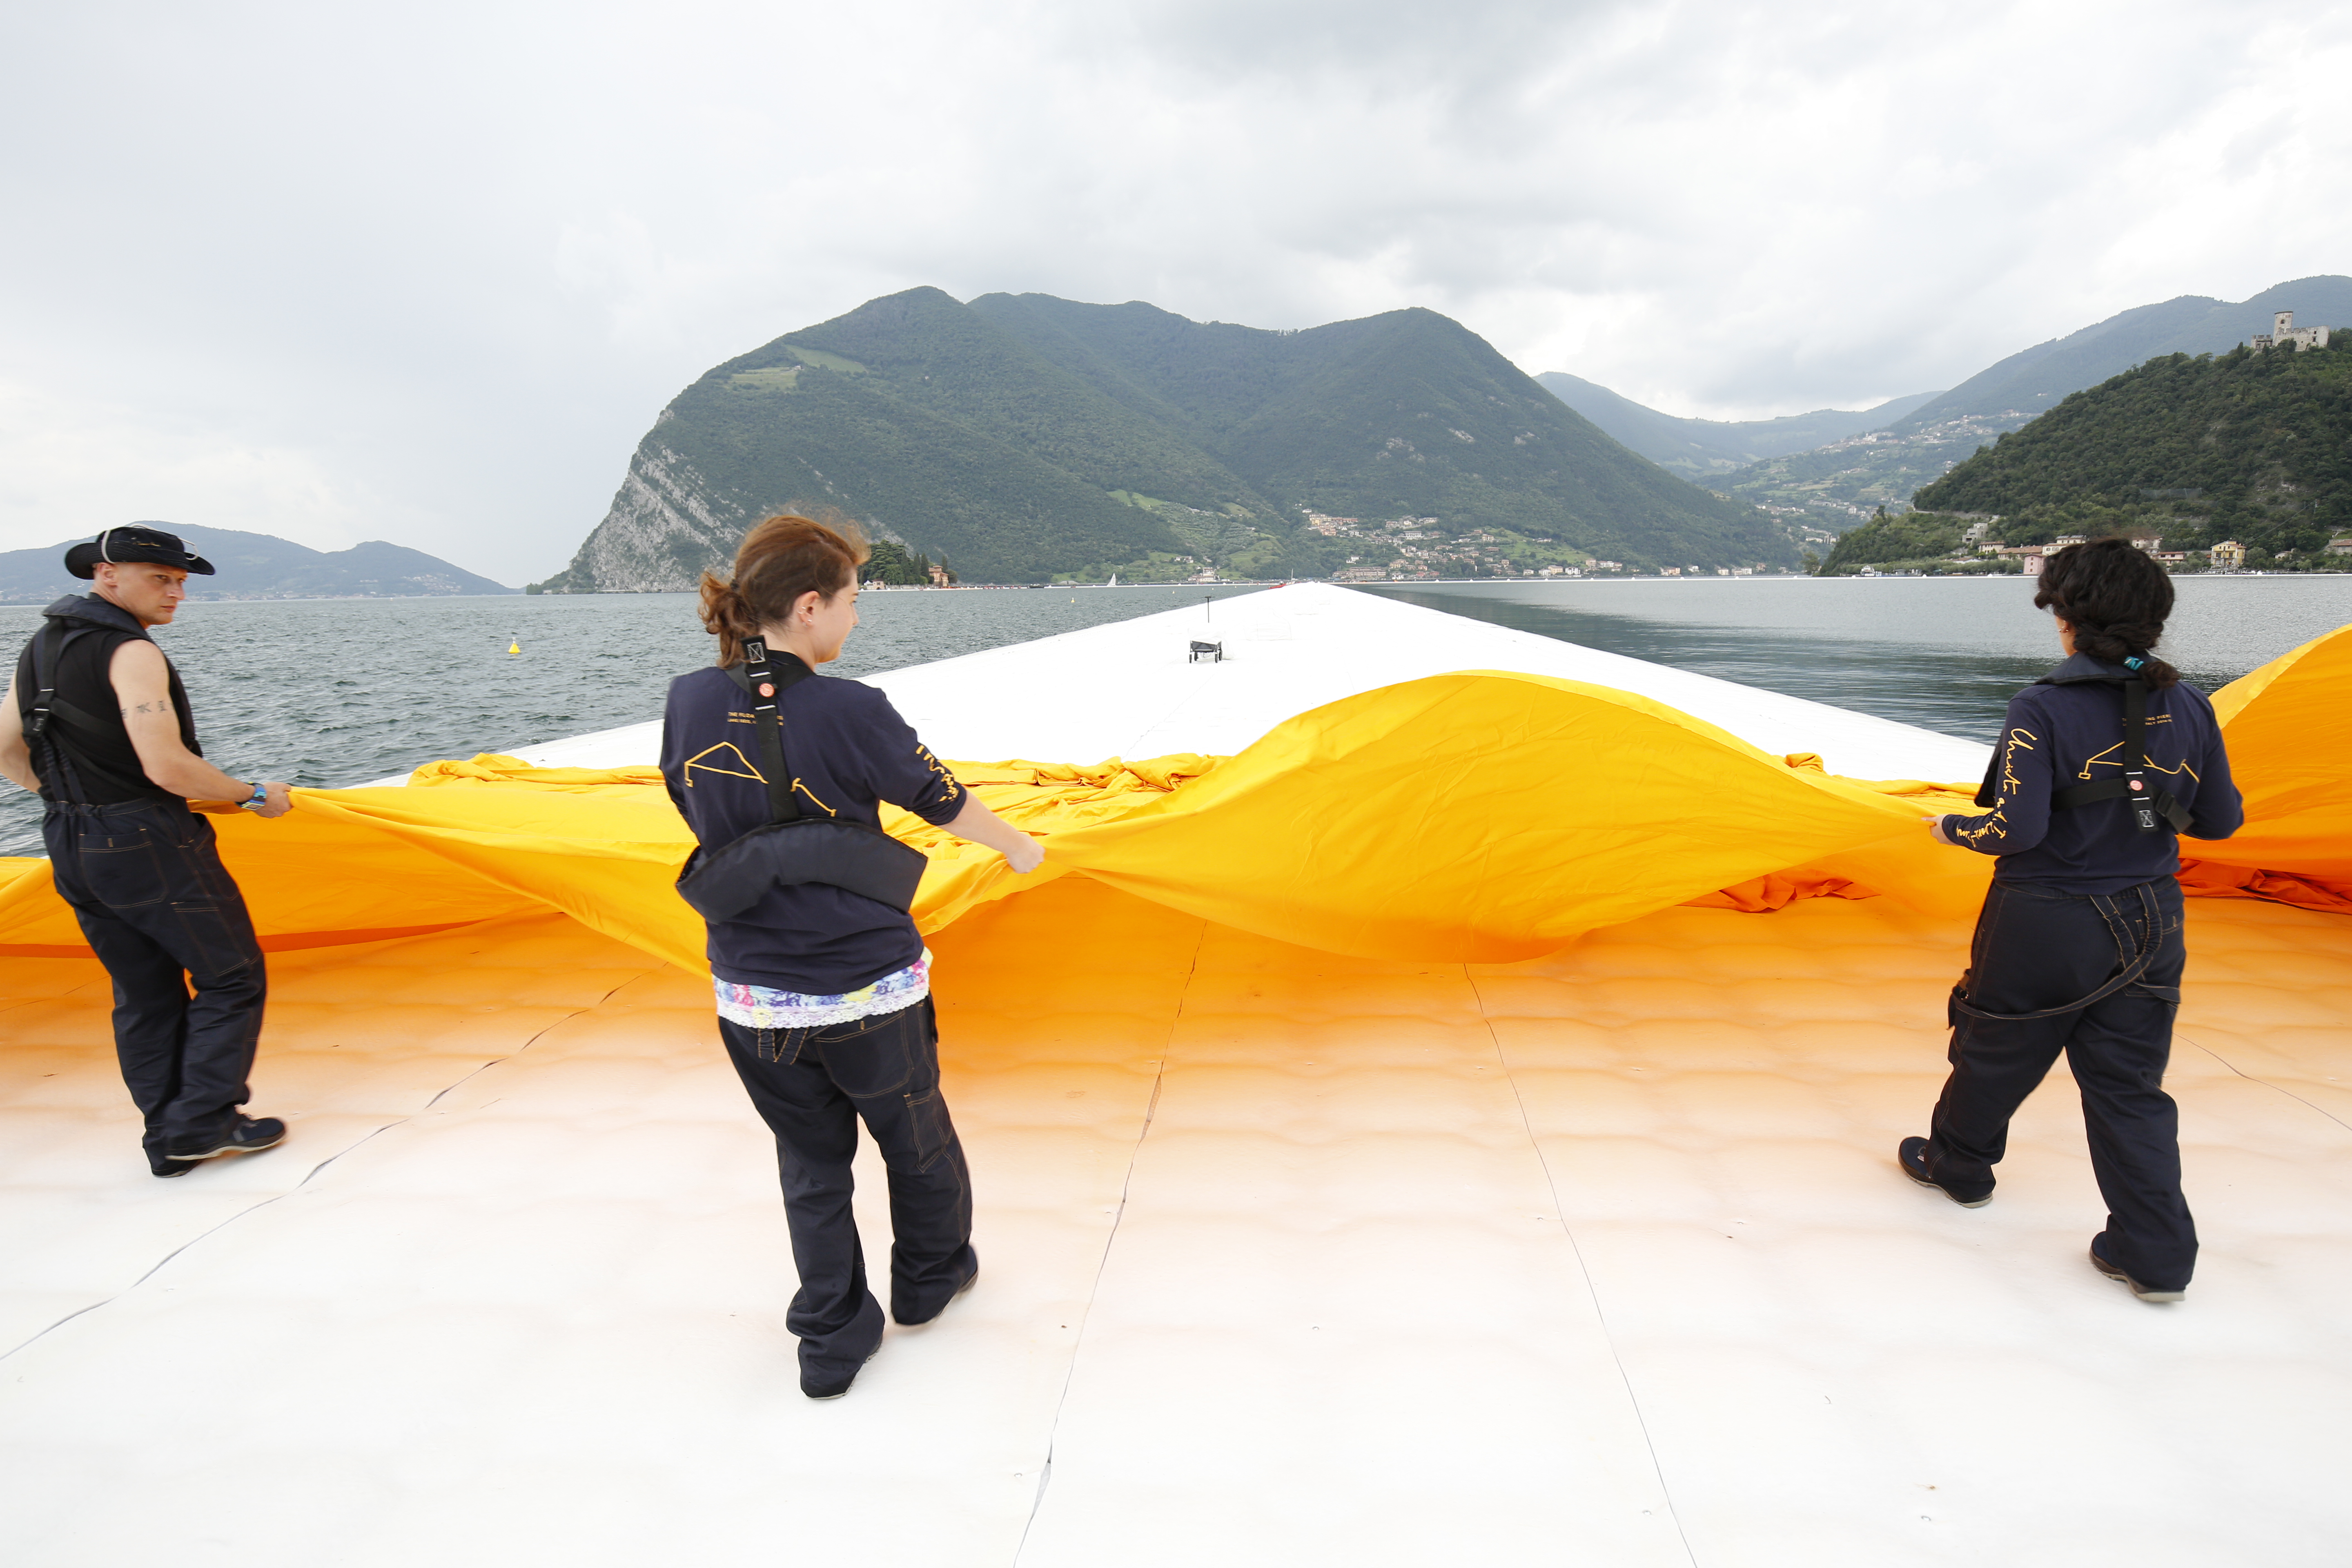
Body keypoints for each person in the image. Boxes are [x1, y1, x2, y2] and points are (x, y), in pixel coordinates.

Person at [660, 514, 1044, 1400]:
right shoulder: (852, 709)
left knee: (810, 1163)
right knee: (916, 1137)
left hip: (754, 1001)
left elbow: (693, 806)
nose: (856, 619)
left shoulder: (687, 699)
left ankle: (831, 1335)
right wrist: (1019, 849)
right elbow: (940, 801)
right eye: (851, 601)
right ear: (806, 607)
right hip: (867, 990)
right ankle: (929, 1277)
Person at [1902, 537, 2243, 1303]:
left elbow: (2012, 831)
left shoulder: (2042, 707)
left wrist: (1947, 828)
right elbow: (2219, 823)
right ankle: (2155, 1256)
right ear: (2154, 619)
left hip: (2045, 919)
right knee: (2130, 1087)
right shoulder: (2191, 704)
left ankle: (1958, 1170)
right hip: (2154, 919)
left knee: (1994, 1046)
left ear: (2066, 619)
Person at [0, 526, 295, 1178]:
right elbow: (168, 769)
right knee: (231, 977)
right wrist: (251, 795)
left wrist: (76, 804)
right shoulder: (130, 651)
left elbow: (4, 750)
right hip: (146, 841)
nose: (176, 594)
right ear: (107, 575)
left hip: (71, 841)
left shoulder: (40, 647)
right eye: (160, 578)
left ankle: (169, 1136)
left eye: (182, 582)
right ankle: (202, 1122)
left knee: (144, 992)